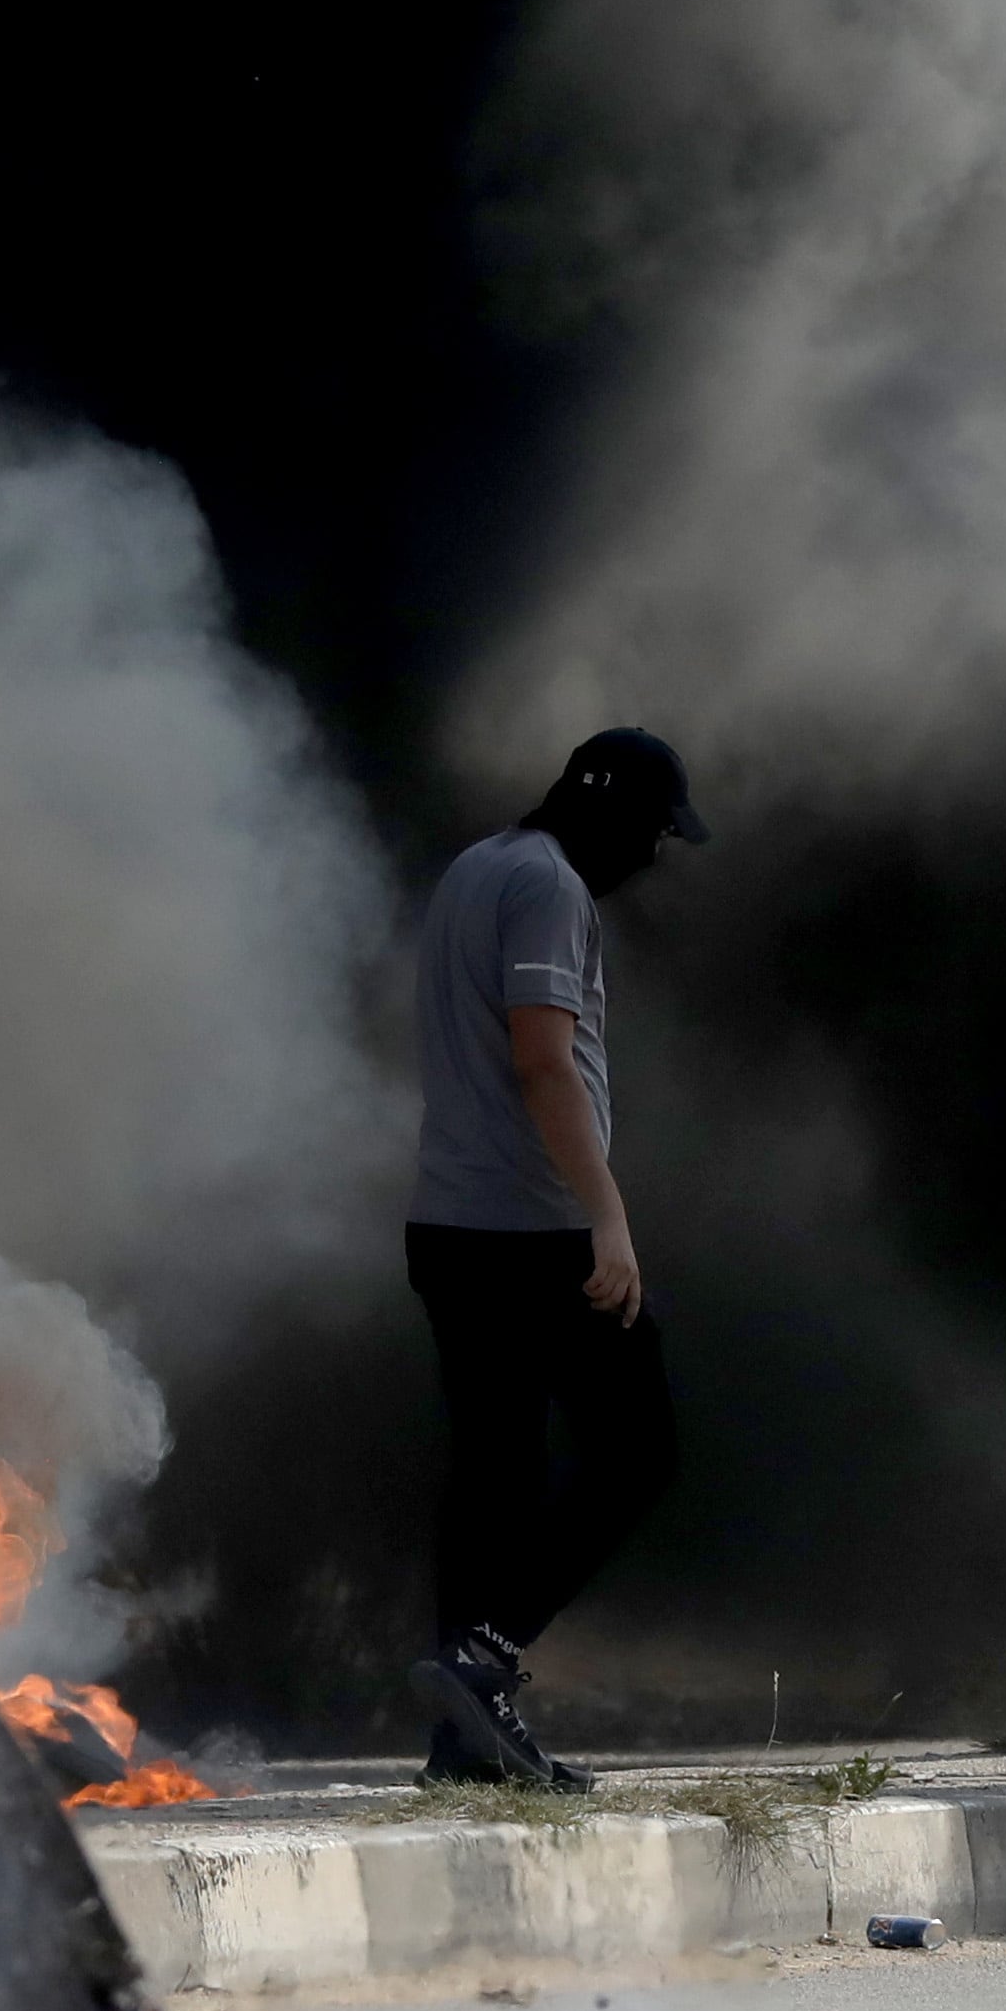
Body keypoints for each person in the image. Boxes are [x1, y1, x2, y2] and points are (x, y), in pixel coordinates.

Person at [403, 727, 707, 1789]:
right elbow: (542, 1063)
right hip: (534, 1235)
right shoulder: (545, 887)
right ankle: (480, 1663)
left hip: (447, 1226)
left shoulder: (472, 870)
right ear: (619, 818)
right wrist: (609, 1220)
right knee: (637, 1452)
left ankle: (461, 1747)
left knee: (493, 1477)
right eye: (656, 837)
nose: (653, 860)